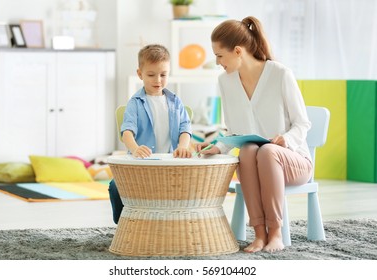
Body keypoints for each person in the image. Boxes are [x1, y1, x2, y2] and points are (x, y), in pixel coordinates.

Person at [197, 16, 313, 253]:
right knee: (249, 150)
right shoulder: (225, 81)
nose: (218, 62)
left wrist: (286, 140)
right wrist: (217, 147)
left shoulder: (280, 74)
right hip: (258, 162)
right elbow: (232, 131)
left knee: (268, 151)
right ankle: (259, 234)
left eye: (220, 55)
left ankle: (276, 233)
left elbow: (302, 123)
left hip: (294, 162)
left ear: (238, 51)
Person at [108, 44, 192, 224]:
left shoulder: (175, 101)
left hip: (170, 164)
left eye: (163, 75)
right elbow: (127, 132)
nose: (158, 80)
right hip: (141, 165)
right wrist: (135, 149)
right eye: (151, 75)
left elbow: (185, 128)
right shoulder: (135, 103)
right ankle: (123, 223)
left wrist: (183, 147)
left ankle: (176, 221)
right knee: (115, 187)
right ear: (140, 74)